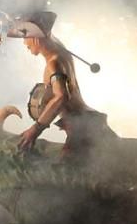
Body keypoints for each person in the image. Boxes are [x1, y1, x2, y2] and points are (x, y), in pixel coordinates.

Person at [7, 11, 116, 159]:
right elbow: (48, 35)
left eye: (26, 37)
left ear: (36, 38)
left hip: (83, 128)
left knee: (69, 173)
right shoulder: (58, 48)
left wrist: (36, 129)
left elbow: (61, 97)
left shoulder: (54, 63)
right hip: (87, 122)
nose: (24, 43)